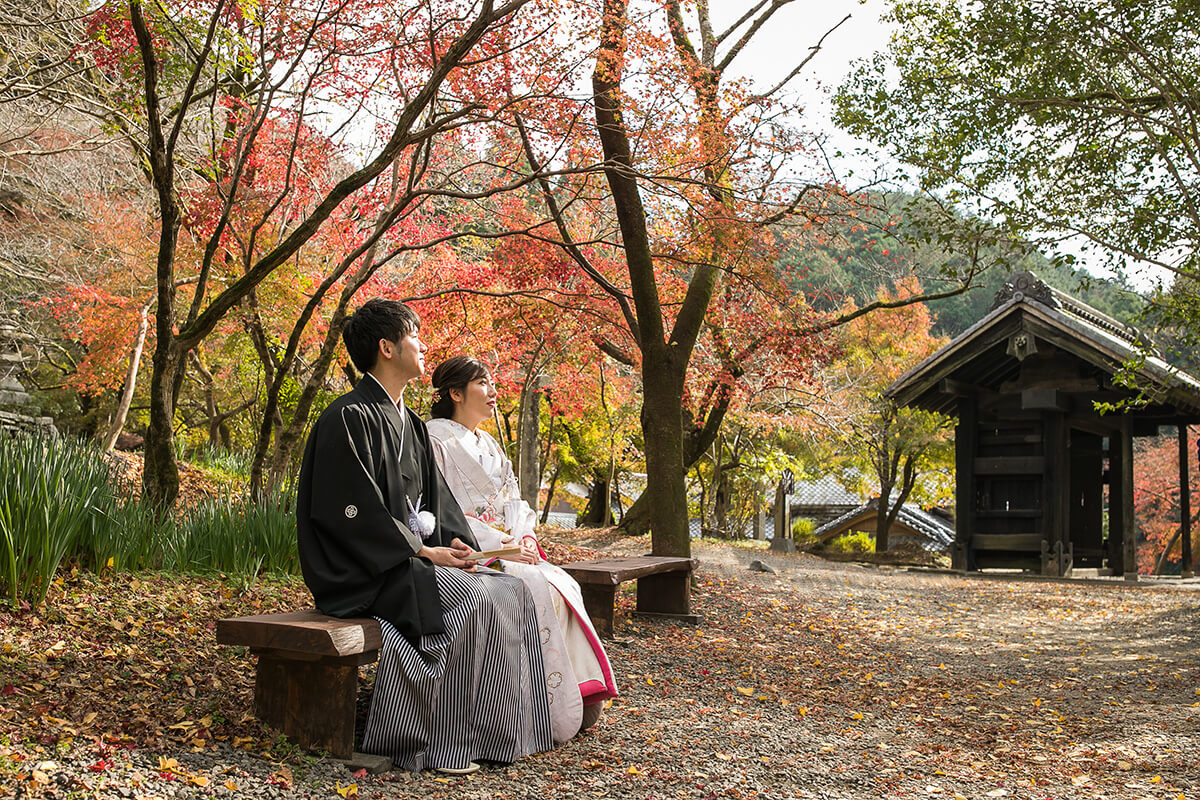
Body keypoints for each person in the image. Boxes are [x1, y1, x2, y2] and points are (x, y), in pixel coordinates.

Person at [296, 299, 554, 773]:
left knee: (510, 590)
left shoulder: (410, 424)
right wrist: (417, 548)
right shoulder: (347, 417)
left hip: (409, 559)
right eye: (415, 334)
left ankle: (496, 737)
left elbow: (437, 504)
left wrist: (458, 545)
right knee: (469, 603)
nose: (424, 344)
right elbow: (349, 511)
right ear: (387, 347)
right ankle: (430, 744)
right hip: (363, 569)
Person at [426, 356, 618, 741]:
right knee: (537, 588)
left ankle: (571, 692)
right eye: (483, 383)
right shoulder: (434, 439)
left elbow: (515, 500)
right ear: (455, 393)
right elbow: (441, 509)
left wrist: (524, 537)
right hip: (469, 550)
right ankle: (536, 706)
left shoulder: (490, 443)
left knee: (563, 583)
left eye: (492, 382)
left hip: (508, 545)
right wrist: (501, 544)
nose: (494, 392)